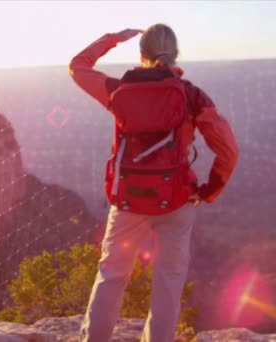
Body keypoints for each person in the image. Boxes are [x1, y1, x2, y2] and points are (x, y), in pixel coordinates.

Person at [68, 24, 239, 341]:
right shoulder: (191, 96)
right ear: (175, 54)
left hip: (128, 201)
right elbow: (228, 150)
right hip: (176, 201)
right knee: (169, 281)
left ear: (141, 54)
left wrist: (112, 39)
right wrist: (207, 191)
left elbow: (78, 67)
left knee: (111, 275)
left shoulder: (119, 90)